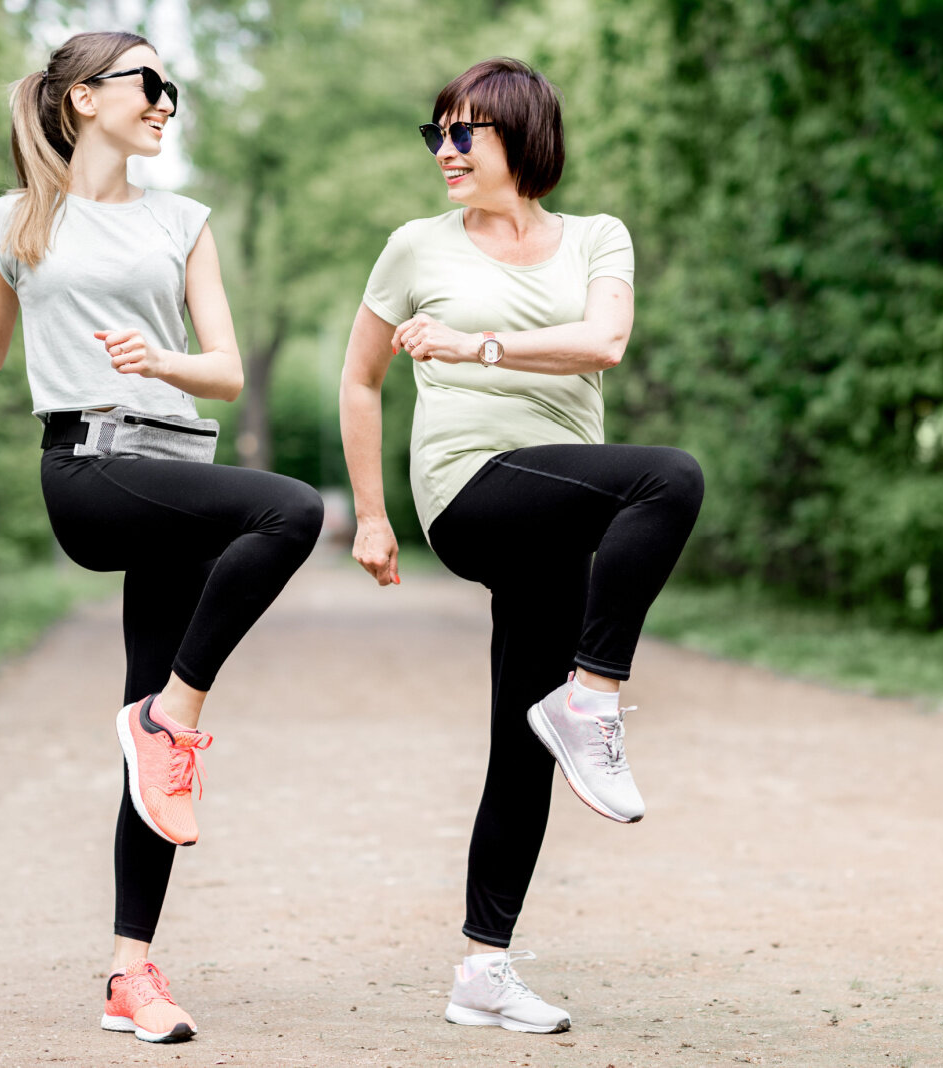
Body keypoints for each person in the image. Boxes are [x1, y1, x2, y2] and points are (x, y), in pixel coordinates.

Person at [0, 31, 324, 1045]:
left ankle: (131, 972)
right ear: (84, 99)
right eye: (149, 83)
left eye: (175, 89)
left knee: (153, 757)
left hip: (177, 470)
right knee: (291, 509)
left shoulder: (184, 221)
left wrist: (160, 360)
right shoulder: (14, 220)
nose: (167, 101)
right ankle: (173, 717)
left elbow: (225, 372)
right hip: (89, 473)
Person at [339, 57, 704, 1035]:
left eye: (467, 132)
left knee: (520, 743)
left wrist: (478, 345)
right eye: (437, 133)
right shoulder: (415, 246)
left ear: (521, 138)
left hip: (560, 506)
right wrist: (372, 515)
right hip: (469, 489)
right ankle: (594, 694)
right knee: (669, 477)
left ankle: (483, 970)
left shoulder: (595, 237)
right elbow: (361, 379)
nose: (446, 150)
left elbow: (604, 343)